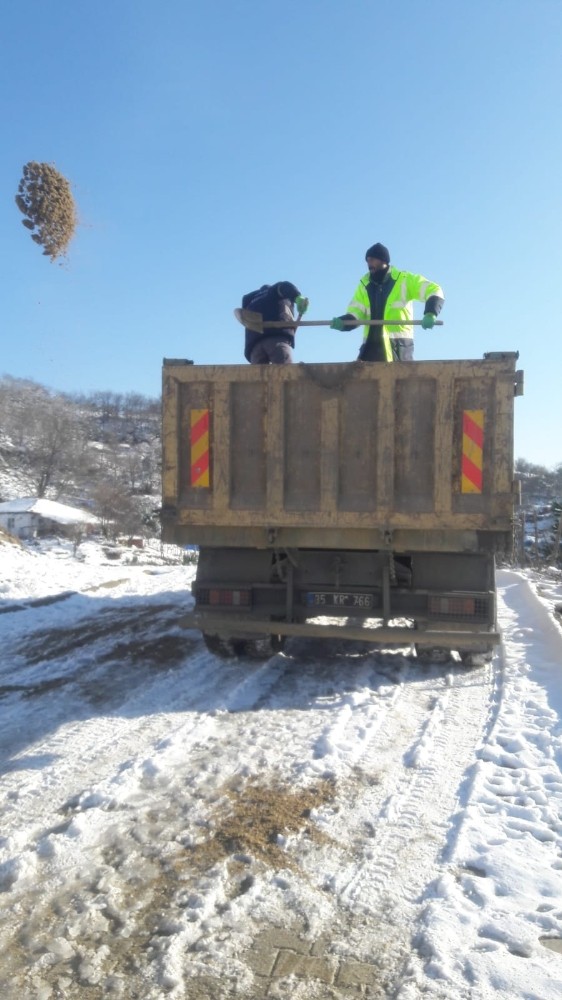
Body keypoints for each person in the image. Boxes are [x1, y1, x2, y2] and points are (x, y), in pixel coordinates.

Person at [330, 242, 444, 362]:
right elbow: (356, 314)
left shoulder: (404, 280)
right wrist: (343, 322)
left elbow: (434, 290)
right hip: (370, 354)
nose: (369, 264)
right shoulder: (364, 285)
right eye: (367, 261)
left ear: (383, 260)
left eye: (372, 260)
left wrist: (431, 312)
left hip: (398, 351)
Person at [242, 281, 309, 364]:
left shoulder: (250, 299)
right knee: (285, 372)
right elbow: (284, 286)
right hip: (276, 339)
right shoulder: (273, 292)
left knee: (259, 376)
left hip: (254, 346)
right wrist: (298, 297)